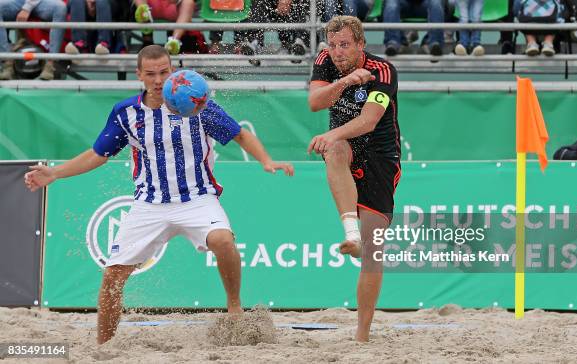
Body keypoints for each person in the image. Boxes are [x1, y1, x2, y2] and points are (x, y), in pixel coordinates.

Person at [24, 45, 294, 344]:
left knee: (223, 240)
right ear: (139, 74)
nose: (157, 80)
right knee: (112, 276)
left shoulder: (196, 102)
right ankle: (103, 346)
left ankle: (233, 306)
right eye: (150, 74)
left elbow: (240, 134)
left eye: (164, 72)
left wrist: (267, 161)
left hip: (197, 198)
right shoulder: (126, 113)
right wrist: (56, 173)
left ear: (173, 71)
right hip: (149, 204)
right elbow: (98, 154)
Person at [307, 15, 401, 342]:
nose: (337, 51)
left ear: (361, 44)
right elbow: (315, 102)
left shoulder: (383, 70)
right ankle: (351, 233)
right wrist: (345, 82)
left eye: (344, 44)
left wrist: (331, 132)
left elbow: (369, 120)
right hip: (347, 147)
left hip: (380, 158)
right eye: (332, 45)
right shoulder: (325, 62)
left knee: (374, 251)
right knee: (333, 150)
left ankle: (362, 335)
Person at [0, 0, 67, 80]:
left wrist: (27, 8)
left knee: (60, 7)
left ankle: (51, 63)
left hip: (41, 2)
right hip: (16, 2)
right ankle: (7, 63)